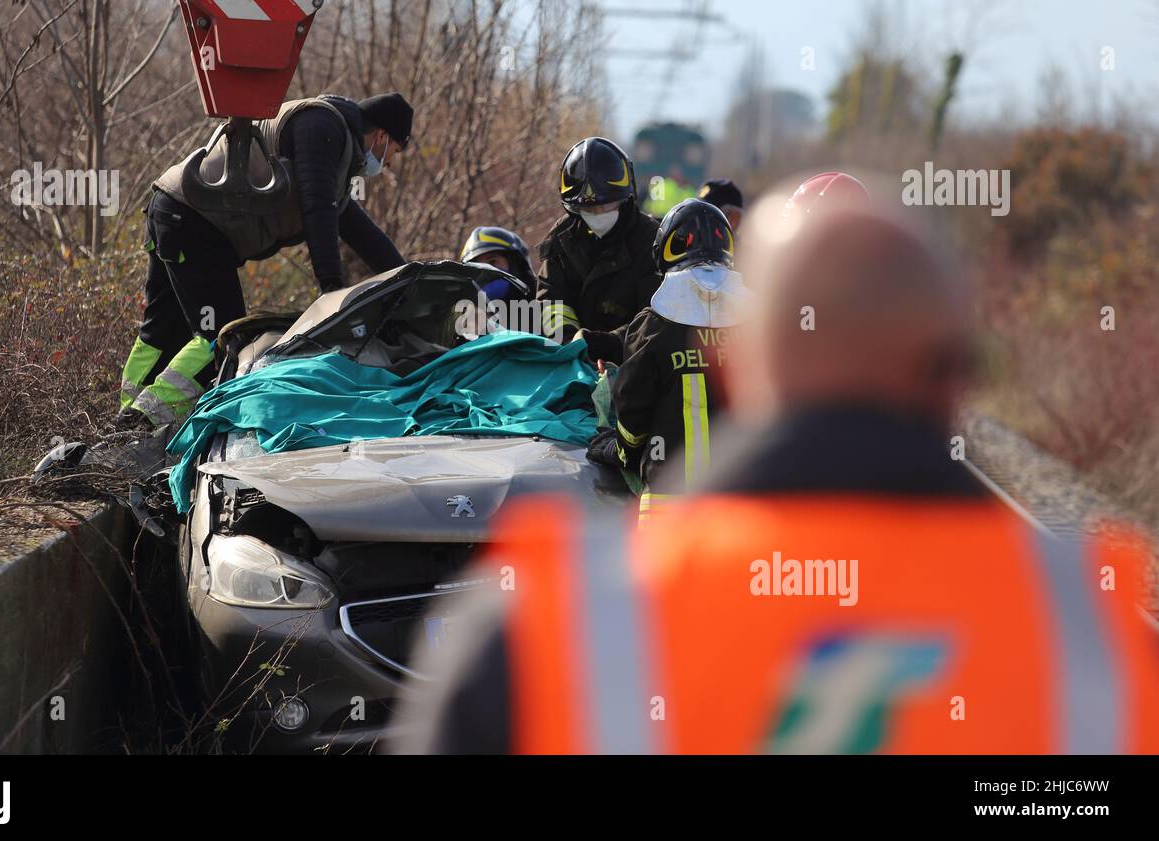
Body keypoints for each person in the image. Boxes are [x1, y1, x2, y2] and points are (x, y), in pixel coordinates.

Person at [397, 176, 1159, 754]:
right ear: (959, 378)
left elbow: (629, 409)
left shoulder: (556, 623)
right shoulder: (1096, 633)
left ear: (753, 366)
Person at [116, 92, 412, 430]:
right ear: (383, 136)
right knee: (223, 338)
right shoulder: (324, 127)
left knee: (163, 327)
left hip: (172, 208)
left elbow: (363, 234)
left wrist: (407, 278)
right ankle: (139, 423)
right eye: (395, 154)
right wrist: (331, 290)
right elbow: (318, 211)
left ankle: (120, 421)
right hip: (197, 223)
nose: (388, 164)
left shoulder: (332, 143)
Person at [586, 199, 750, 516]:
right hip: (745, 508)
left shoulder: (656, 322)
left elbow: (633, 404)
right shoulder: (759, 322)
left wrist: (621, 449)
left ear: (666, 249)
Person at [536, 137, 661, 362]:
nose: (597, 214)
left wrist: (606, 345)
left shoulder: (651, 241)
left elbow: (656, 320)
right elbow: (550, 300)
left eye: (605, 205)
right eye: (588, 208)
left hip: (635, 364)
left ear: (625, 197)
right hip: (572, 362)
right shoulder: (562, 239)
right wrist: (569, 343)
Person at [459, 226, 538, 296]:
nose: (484, 272)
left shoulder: (545, 304)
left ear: (517, 265)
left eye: (492, 262)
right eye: (475, 267)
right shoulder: (463, 310)